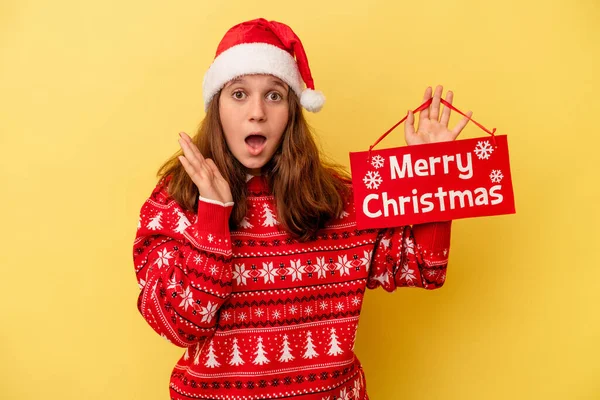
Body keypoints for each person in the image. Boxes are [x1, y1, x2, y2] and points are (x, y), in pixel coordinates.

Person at [132, 17, 471, 400]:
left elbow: (421, 267)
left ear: (293, 110)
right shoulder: (174, 201)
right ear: (217, 107)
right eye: (239, 94)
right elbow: (179, 327)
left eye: (274, 95)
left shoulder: (337, 201)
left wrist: (435, 177)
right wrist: (212, 217)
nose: (257, 112)